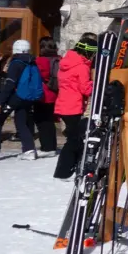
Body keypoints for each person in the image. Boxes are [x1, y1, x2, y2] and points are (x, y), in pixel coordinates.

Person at [53, 35, 98, 179]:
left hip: (63, 104)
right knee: (74, 140)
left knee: (75, 138)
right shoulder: (81, 67)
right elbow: (86, 89)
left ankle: (69, 168)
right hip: (73, 106)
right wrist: (98, 85)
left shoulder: (66, 62)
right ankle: (64, 170)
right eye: (92, 54)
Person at [0, 40, 43, 159]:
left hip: (16, 97)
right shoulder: (32, 62)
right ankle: (29, 150)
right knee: (21, 122)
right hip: (27, 97)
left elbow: (9, 84)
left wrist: (0, 102)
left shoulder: (16, 63)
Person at [34, 36, 60, 157]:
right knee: (50, 120)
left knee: (42, 121)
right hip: (55, 93)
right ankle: (52, 145)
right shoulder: (59, 59)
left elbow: (39, 76)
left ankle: (47, 147)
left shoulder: (40, 61)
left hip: (43, 94)